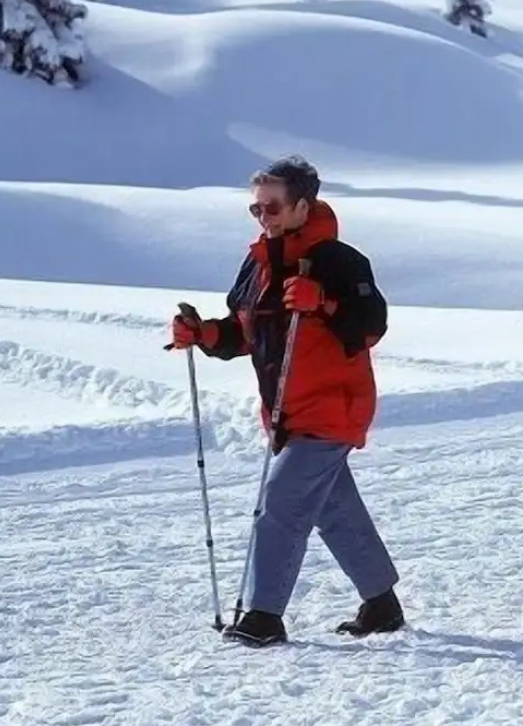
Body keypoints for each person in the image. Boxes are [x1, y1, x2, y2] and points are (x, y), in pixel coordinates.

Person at [170, 155, 404, 648]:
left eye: (272, 207)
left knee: (280, 501)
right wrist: (203, 333)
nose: (263, 217)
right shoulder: (258, 263)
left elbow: (370, 325)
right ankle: (381, 602)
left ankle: (264, 615)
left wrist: (324, 303)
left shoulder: (340, 261)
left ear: (303, 205)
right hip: (285, 410)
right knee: (332, 506)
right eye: (256, 209)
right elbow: (244, 332)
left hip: (334, 405)